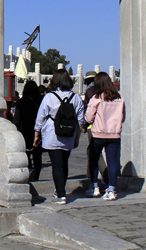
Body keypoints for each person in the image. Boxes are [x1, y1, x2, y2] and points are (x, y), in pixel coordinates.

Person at [34, 70, 85, 204]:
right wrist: (77, 137)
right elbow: (80, 120)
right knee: (64, 164)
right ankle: (60, 189)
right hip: (68, 135)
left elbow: (41, 117)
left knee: (56, 165)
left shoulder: (49, 97)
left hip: (52, 134)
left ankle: (61, 194)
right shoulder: (76, 98)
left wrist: (36, 134)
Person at [85, 72, 125, 201]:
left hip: (98, 134)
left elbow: (89, 117)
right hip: (114, 134)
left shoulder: (96, 98)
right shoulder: (119, 98)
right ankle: (111, 190)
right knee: (112, 162)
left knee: (94, 160)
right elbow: (123, 117)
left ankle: (94, 186)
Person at [13, 81, 43, 182]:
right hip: (39, 131)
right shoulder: (41, 100)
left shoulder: (22, 102)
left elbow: (17, 120)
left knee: (26, 154)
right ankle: (36, 175)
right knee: (37, 155)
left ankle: (29, 171)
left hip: (25, 131)